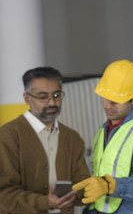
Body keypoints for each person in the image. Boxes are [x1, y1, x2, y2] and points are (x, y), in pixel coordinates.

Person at [72, 60, 133, 214]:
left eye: (116, 101)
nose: (108, 105)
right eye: (105, 97)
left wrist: (111, 186)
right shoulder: (103, 131)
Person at [0, 67, 90, 214]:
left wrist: (77, 194)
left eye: (57, 95)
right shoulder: (7, 136)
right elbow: (3, 194)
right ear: (27, 98)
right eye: (43, 97)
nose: (51, 103)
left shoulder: (72, 138)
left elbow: (82, 183)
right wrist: (46, 202)